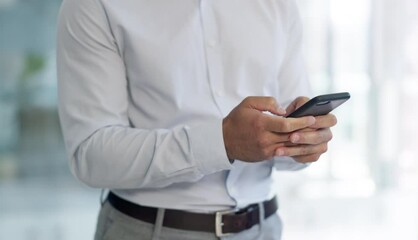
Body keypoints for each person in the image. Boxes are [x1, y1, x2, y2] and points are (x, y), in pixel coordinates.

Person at [56, 0, 337, 239]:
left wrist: (301, 140)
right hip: (149, 229)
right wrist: (222, 142)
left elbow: (289, 132)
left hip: (264, 228)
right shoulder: (95, 5)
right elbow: (91, 154)